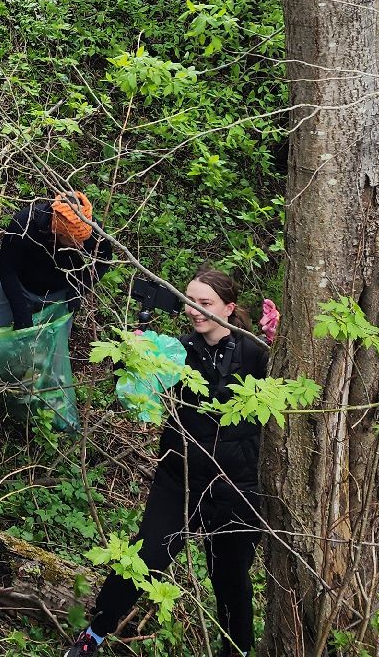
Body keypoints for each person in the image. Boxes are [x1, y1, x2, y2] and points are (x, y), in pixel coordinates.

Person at [65, 268, 269, 657]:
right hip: (180, 477)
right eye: (191, 301)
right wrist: (132, 358)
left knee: (231, 580)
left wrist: (277, 342)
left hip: (235, 486)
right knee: (145, 560)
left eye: (205, 303)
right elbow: (135, 397)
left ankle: (237, 651)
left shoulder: (256, 353)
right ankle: (92, 638)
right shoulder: (176, 351)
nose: (195, 310)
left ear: (229, 306)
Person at [0, 190, 109, 331]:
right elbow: (7, 268)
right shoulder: (25, 223)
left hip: (60, 293)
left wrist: (79, 289)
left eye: (83, 240)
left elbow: (103, 261)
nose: (81, 246)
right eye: (74, 242)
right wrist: (20, 309)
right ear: (57, 232)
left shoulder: (89, 228)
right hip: (20, 285)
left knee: (55, 349)